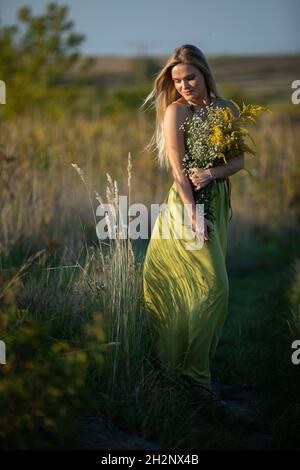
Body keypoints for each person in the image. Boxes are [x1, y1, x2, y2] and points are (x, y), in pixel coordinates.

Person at [142, 44, 244, 402]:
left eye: (190, 77)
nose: (184, 85)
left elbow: (239, 161)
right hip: (185, 206)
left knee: (207, 288)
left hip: (217, 199)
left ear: (204, 74)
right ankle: (193, 378)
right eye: (177, 80)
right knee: (215, 287)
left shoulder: (226, 109)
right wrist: (193, 214)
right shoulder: (176, 112)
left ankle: (193, 370)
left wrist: (212, 172)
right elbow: (177, 168)